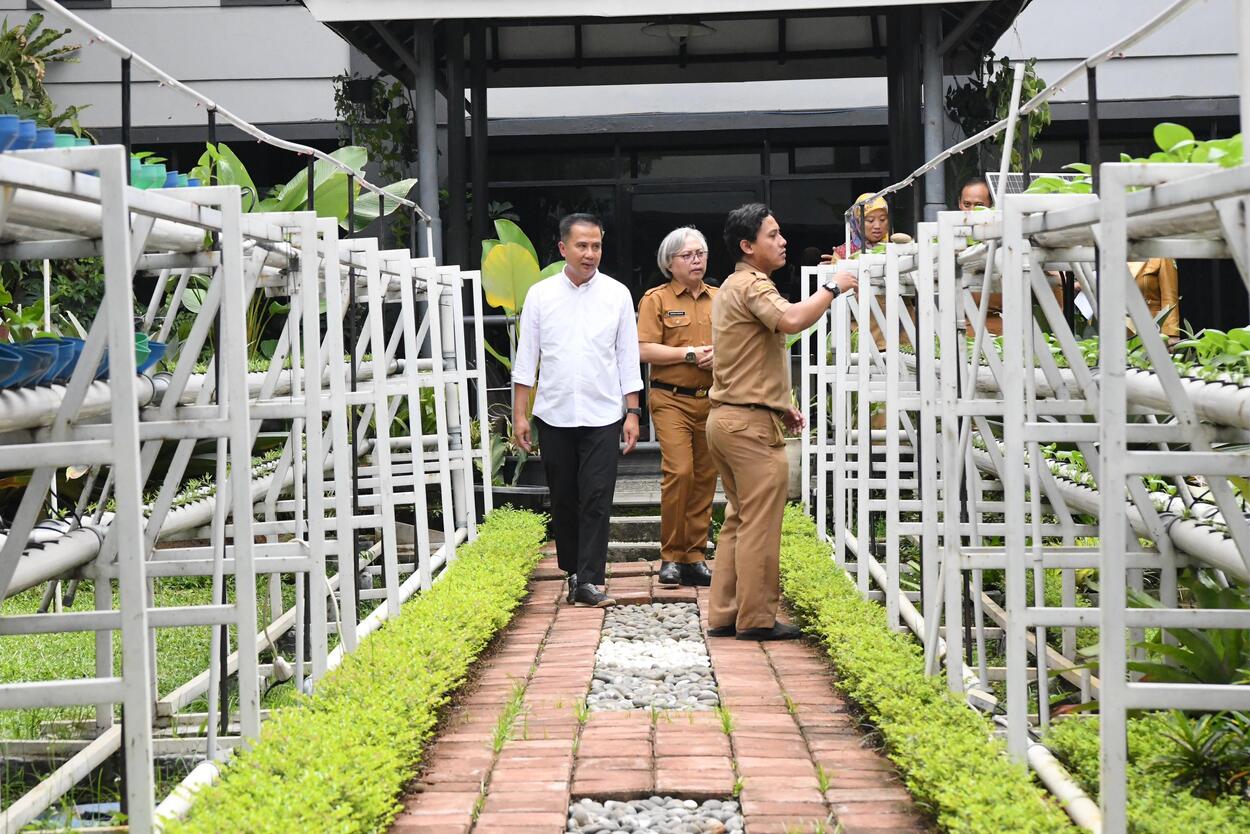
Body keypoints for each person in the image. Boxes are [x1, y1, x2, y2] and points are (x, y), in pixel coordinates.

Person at [706, 203, 857, 640]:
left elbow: (746, 357)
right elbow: (791, 319)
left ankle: (726, 613)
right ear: (747, 246)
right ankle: (755, 619)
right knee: (759, 522)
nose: (783, 240)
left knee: (739, 518)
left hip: (731, 419)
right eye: (772, 235)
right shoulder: (753, 284)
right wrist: (834, 286)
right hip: (747, 428)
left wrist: (778, 404)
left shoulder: (733, 286)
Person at [512, 213, 643, 608]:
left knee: (597, 496)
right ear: (563, 248)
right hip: (554, 414)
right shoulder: (540, 295)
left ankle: (589, 579)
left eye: (597, 246)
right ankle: (572, 570)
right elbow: (526, 358)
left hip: (604, 415)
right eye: (582, 246)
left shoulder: (617, 294)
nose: (590, 254)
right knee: (564, 497)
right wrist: (521, 414)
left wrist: (633, 412)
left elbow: (627, 357)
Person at [638, 227, 717, 588]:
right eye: (687, 255)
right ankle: (670, 555)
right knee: (680, 473)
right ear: (669, 262)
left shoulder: (721, 297)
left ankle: (695, 555)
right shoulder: (655, 299)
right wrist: (688, 354)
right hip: (670, 398)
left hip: (713, 399)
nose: (696, 260)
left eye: (700, 253)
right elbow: (643, 350)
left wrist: (720, 356)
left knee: (705, 479)